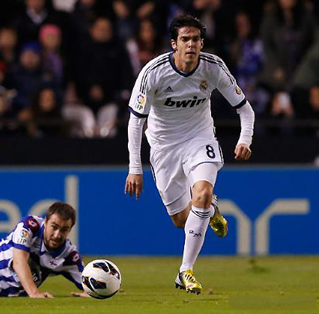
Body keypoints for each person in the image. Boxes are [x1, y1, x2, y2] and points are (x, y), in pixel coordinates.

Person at [124, 15, 254, 294]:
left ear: (201, 43)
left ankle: (185, 271)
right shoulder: (153, 72)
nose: (191, 44)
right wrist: (135, 167)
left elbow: (245, 108)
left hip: (200, 138)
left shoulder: (213, 67)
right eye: (185, 39)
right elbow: (136, 122)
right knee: (182, 220)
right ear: (174, 44)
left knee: (202, 194)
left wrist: (245, 139)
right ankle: (211, 209)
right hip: (164, 146)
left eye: (196, 39)